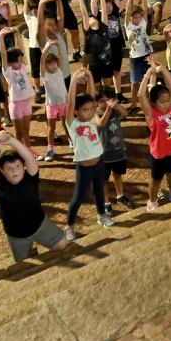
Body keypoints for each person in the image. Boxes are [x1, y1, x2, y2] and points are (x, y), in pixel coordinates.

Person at [0, 130, 69, 263]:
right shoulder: (0, 184)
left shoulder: (31, 178)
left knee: (62, 244)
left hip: (40, 225)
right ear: (2, 171)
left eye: (17, 166)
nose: (14, 171)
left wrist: (12, 141)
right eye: (9, 168)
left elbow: (29, 157)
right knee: (23, 265)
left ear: (23, 167)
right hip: (16, 236)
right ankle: (30, 251)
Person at [63, 68, 113, 241]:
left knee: (99, 191)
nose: (91, 112)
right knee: (78, 197)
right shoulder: (72, 123)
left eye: (92, 109)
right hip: (84, 168)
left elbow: (91, 95)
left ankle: (101, 215)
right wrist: (74, 81)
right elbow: (70, 103)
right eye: (86, 110)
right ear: (76, 112)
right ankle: (69, 225)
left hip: (99, 163)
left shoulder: (91, 118)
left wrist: (91, 76)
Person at [138, 64, 171, 212]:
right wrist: (147, 74)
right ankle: (151, 201)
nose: (166, 105)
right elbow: (140, 96)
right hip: (159, 153)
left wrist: (163, 69)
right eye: (162, 102)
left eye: (167, 101)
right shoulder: (151, 113)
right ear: (153, 102)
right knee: (156, 180)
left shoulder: (169, 107)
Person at [95, 88, 135, 209]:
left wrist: (117, 105)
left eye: (108, 100)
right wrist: (109, 108)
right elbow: (101, 123)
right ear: (96, 102)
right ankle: (106, 202)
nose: (106, 103)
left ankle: (120, 195)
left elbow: (126, 114)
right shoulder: (95, 113)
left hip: (117, 150)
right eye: (102, 101)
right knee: (104, 179)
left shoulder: (114, 110)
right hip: (103, 153)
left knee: (117, 174)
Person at [0, 28, 36, 151]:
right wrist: (1, 36)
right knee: (19, 133)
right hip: (16, 105)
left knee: (27, 132)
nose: (19, 63)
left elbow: (20, 48)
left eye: (20, 60)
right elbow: (3, 54)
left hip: (27, 103)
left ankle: (29, 152)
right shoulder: (8, 72)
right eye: (16, 62)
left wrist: (18, 34)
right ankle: (18, 154)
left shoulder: (22, 67)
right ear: (9, 63)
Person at [39, 36, 70, 161]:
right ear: (45, 66)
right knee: (51, 127)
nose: (53, 65)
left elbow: (61, 57)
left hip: (63, 102)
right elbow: (41, 60)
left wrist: (57, 46)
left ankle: (71, 140)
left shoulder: (59, 71)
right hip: (51, 105)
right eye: (50, 64)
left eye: (54, 63)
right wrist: (46, 48)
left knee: (65, 123)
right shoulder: (44, 75)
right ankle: (50, 148)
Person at [124, 0, 154, 107]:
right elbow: (127, 13)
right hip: (135, 57)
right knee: (134, 81)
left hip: (147, 55)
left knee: (147, 79)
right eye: (134, 17)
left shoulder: (143, 23)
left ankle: (146, 100)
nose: (137, 19)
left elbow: (145, 10)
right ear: (131, 18)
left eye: (139, 17)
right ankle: (133, 102)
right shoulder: (129, 26)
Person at [21, 0, 45, 100]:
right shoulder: (29, 17)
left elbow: (40, 0)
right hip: (34, 46)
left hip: (44, 46)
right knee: (35, 70)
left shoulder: (43, 16)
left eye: (38, 10)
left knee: (46, 66)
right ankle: (37, 90)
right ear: (30, 10)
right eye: (34, 11)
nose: (36, 13)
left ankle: (47, 85)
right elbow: (25, 2)